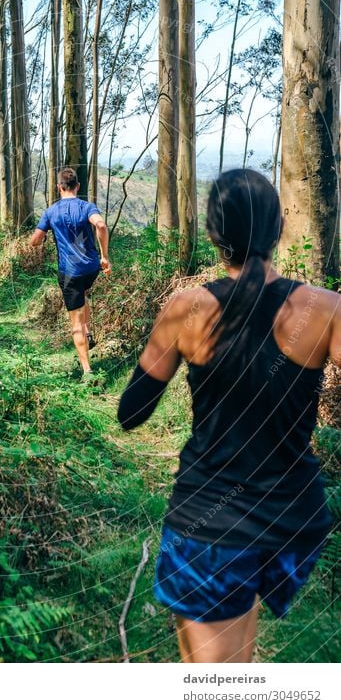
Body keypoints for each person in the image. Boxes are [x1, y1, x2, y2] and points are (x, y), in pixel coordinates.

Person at [118, 168, 340, 663]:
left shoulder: (187, 309)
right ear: (279, 228)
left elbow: (132, 413)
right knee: (237, 652)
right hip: (291, 523)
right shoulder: (326, 309)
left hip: (210, 525)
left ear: (215, 237)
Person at [29, 167, 111, 378]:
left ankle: (87, 371)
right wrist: (104, 256)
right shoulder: (87, 207)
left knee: (75, 323)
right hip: (91, 268)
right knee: (82, 293)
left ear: (59, 188)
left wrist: (43, 237)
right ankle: (89, 333)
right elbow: (100, 226)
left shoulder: (50, 212)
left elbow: (35, 241)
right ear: (78, 186)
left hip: (70, 273)